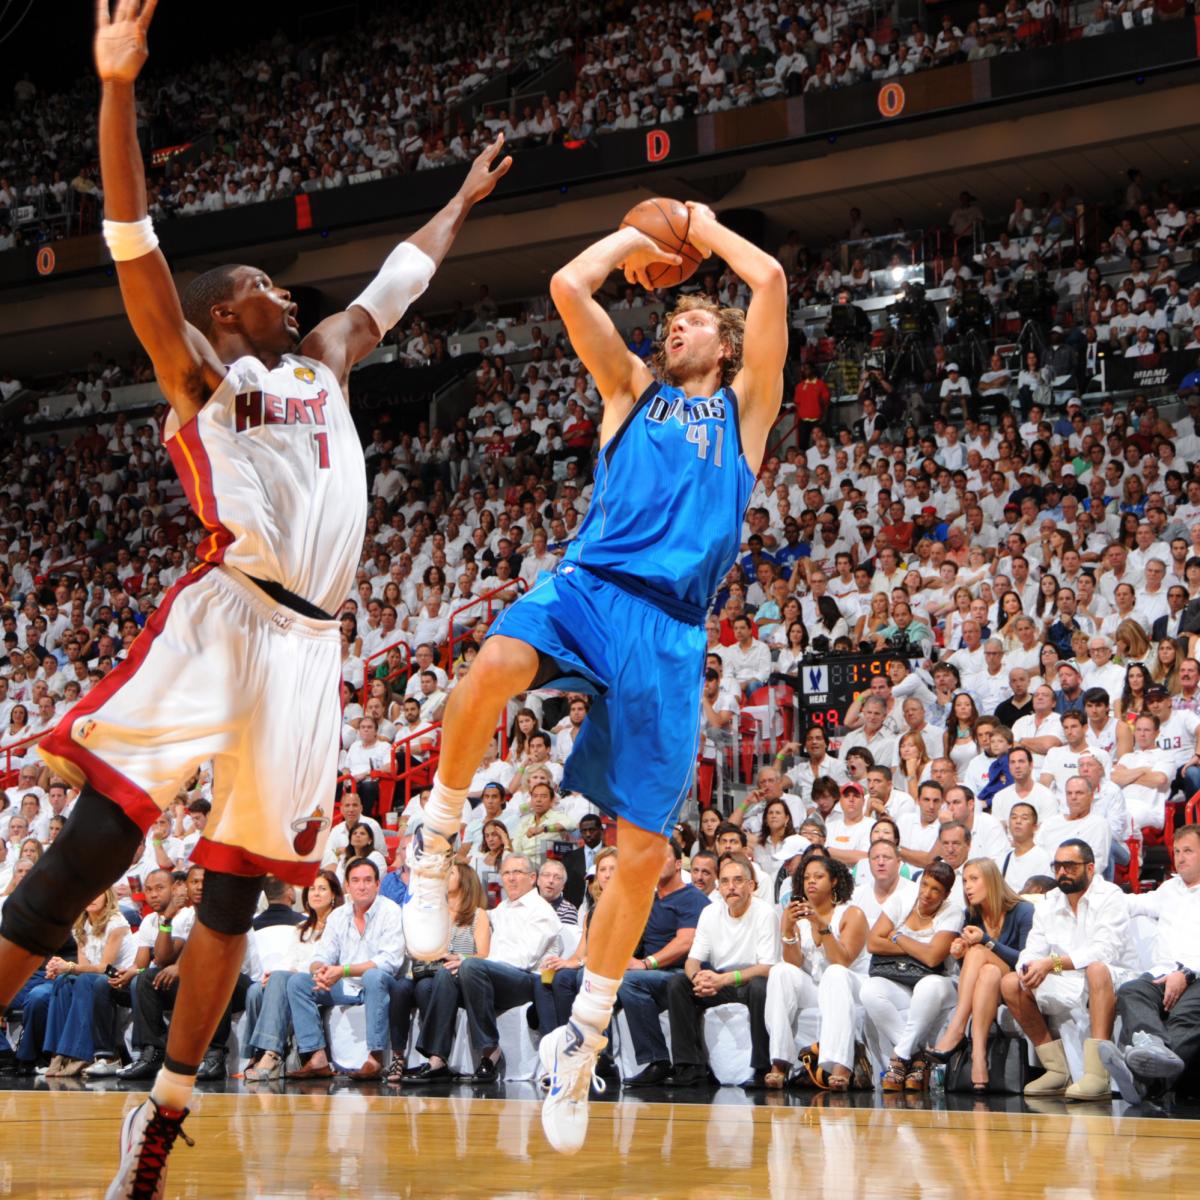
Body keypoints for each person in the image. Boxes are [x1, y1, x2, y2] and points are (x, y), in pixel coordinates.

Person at [0, 5, 511, 1190]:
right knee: (92, 853)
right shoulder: (200, 371)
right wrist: (116, 88)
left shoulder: (323, 359)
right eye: (265, 285)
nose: (289, 293)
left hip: (311, 655)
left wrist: (464, 202)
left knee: (232, 899)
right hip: (226, 621)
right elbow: (131, 239)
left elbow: (401, 280)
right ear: (230, 311)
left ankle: (165, 1117)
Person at [400, 200, 788, 1151]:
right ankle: (437, 839)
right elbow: (567, 287)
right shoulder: (631, 390)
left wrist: (696, 220)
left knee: (644, 853)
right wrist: (637, 241)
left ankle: (585, 1032)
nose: (674, 325)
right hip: (588, 585)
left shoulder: (742, 413)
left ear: (725, 343)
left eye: (692, 319)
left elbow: (770, 280)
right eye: (673, 317)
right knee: (492, 661)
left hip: (669, 631)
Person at [1000, 838, 1139, 1101]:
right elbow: (1033, 949)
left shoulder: (1110, 896)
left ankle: (1098, 1075)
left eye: (1070, 866)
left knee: (1096, 969)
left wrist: (1052, 964)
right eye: (1058, 866)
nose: (1062, 872)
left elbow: (1104, 951)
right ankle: (1056, 1069)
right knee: (1010, 982)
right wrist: (1026, 968)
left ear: (1089, 868)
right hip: (1065, 976)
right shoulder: (1049, 901)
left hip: (1115, 975)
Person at [284, 857, 412, 1082]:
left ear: (377, 884)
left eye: (367, 880)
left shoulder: (390, 911)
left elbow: (389, 961)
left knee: (374, 976)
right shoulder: (338, 915)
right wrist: (321, 971)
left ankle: (375, 1058)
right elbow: (322, 955)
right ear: (347, 886)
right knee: (298, 983)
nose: (361, 886)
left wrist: (341, 971)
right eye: (355, 881)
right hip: (346, 985)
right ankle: (317, 1056)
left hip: (382, 984)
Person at [1100, 824, 1200, 1103]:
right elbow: (1132, 904)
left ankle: (1143, 1081)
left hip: (1197, 975)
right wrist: (1096, 891)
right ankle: (1152, 1046)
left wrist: (1186, 974)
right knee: (1132, 990)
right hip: (1162, 973)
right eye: (1177, 851)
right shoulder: (1169, 889)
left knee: (1185, 1014)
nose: (1180, 858)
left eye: (1188, 851)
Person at [664, 853, 780, 1088]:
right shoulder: (710, 913)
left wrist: (723, 979)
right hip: (720, 982)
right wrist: (698, 979)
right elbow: (692, 960)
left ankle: (762, 1068)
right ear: (719, 887)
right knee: (677, 983)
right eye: (725, 881)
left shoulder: (765, 913)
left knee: (760, 987)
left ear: (750, 886)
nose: (731, 887)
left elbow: (767, 967)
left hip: (750, 981)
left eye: (737, 881)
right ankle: (690, 1066)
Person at [764, 850, 870, 1089]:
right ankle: (780, 1062)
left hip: (853, 985)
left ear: (834, 881)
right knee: (779, 971)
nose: (811, 881)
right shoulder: (798, 915)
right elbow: (793, 963)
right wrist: (788, 929)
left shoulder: (851, 913)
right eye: (806, 877)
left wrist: (821, 925)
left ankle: (841, 1065)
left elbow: (842, 961)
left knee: (834, 973)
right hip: (817, 986)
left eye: (818, 876)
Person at [926, 859, 1033, 1090]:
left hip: (1016, 982)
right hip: (988, 984)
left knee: (979, 952)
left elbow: (1025, 960)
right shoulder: (972, 915)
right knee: (987, 970)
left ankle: (957, 1028)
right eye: (965, 881)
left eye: (974, 879)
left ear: (992, 881)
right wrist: (959, 952)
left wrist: (985, 942)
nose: (967, 887)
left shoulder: (1023, 910)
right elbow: (971, 968)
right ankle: (978, 1058)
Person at [860, 859, 961, 1092]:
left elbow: (934, 958)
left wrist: (897, 937)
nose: (927, 893)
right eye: (925, 885)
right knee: (869, 991)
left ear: (946, 894)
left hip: (940, 982)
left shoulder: (952, 912)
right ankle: (918, 1056)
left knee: (928, 986)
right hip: (898, 979)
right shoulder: (902, 899)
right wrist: (920, 948)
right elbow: (873, 942)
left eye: (935, 890)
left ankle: (899, 1057)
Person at [619, 840, 711, 1087]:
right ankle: (598, 1062)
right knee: (591, 979)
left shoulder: (692, 898)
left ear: (680, 864)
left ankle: (657, 1061)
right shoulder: (648, 899)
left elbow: (685, 942)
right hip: (652, 976)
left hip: (682, 975)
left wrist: (646, 964)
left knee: (630, 981)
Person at [243, 869, 344, 1082]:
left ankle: (271, 1055)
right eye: (312, 889)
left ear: (334, 894)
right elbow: (289, 960)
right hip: (294, 978)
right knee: (255, 989)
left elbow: (330, 962)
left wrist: (285, 974)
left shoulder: (340, 924)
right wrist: (275, 974)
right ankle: (256, 1054)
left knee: (282, 980)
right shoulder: (301, 927)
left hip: (325, 981)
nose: (315, 893)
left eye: (322, 889)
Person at [400, 862, 492, 1085]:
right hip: (433, 975)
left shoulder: (478, 915)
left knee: (443, 975)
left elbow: (484, 955)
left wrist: (457, 957)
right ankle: (437, 1059)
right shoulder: (433, 914)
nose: (443, 877)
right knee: (423, 986)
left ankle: (436, 1058)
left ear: (465, 881)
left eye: (450, 873)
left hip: (464, 977)